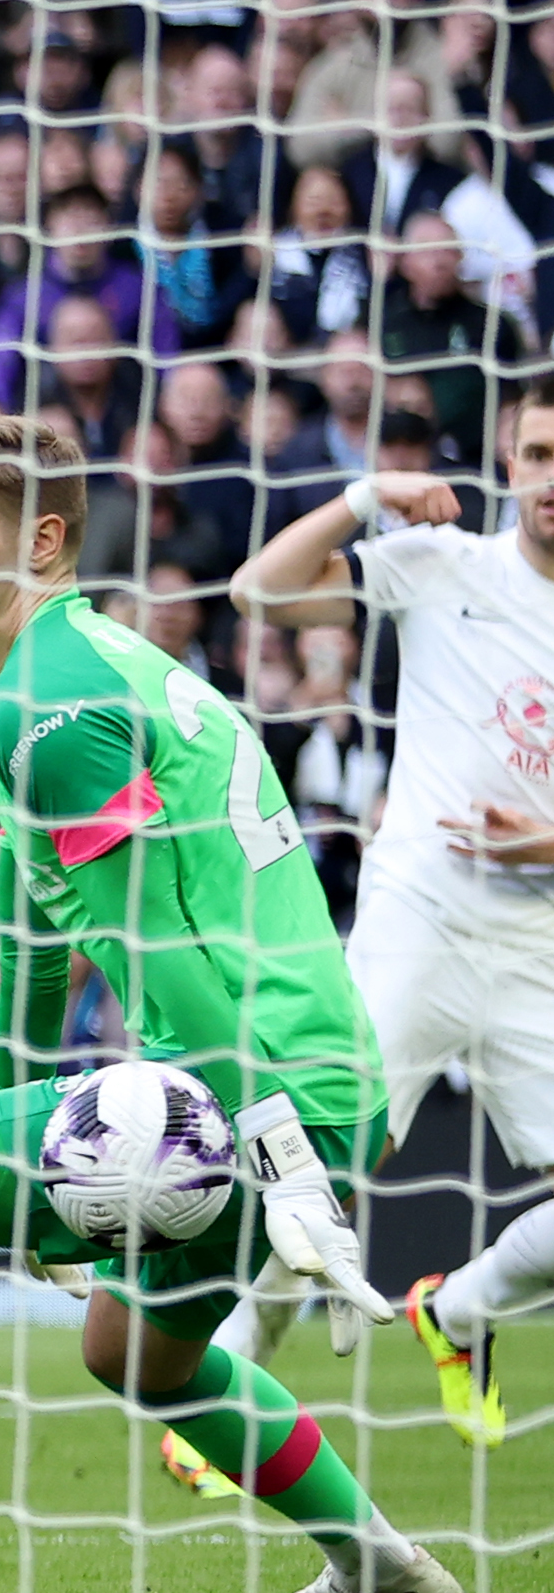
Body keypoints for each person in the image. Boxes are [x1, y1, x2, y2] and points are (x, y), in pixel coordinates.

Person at [0, 415, 459, 1593]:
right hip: (308, 1071)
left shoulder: (51, 701)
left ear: (42, 538)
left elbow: (162, 950)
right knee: (135, 1356)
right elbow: (40, 949)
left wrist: (271, 1146)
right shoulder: (87, 672)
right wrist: (7, 1110)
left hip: (241, 1081)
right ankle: (382, 1569)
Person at [230, 404, 554, 1452]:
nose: (551, 475)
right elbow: (257, 590)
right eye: (540, 453)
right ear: (507, 458)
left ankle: (456, 1311)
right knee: (320, 1161)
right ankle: (232, 1381)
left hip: (536, 946)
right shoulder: (441, 563)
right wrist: (364, 497)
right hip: (416, 917)